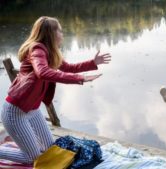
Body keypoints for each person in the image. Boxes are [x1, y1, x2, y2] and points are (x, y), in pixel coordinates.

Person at [0, 16, 111, 164]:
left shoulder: (50, 52)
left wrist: (93, 63)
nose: (62, 34)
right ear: (50, 33)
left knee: (49, 149)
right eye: (60, 30)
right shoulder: (37, 49)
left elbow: (69, 68)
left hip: (32, 110)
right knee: (32, 158)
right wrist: (80, 79)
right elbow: (43, 72)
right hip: (16, 112)